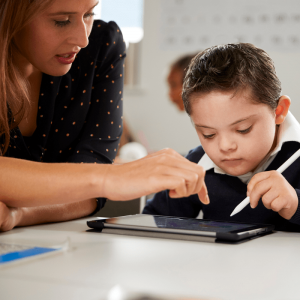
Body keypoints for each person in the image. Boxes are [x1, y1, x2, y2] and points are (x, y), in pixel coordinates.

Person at [0, 0, 208, 232]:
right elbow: (96, 179)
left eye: (89, 14)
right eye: (61, 21)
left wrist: (18, 215)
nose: (82, 40)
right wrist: (109, 177)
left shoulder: (101, 45)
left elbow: (91, 192)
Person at [143, 43, 300, 232]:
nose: (225, 146)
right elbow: (151, 221)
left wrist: (295, 204)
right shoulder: (197, 166)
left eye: (243, 129)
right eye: (208, 134)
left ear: (279, 111)